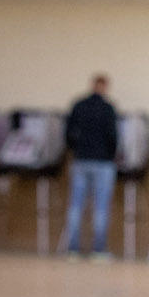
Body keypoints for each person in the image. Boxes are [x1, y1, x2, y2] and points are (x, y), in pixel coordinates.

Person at [64, 74, 118, 260]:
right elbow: (113, 137)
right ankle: (98, 250)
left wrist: (77, 150)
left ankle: (72, 249)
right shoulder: (108, 108)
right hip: (103, 162)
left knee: (76, 206)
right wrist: (111, 155)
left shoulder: (79, 106)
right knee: (101, 207)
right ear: (104, 87)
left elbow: (68, 133)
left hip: (80, 160)